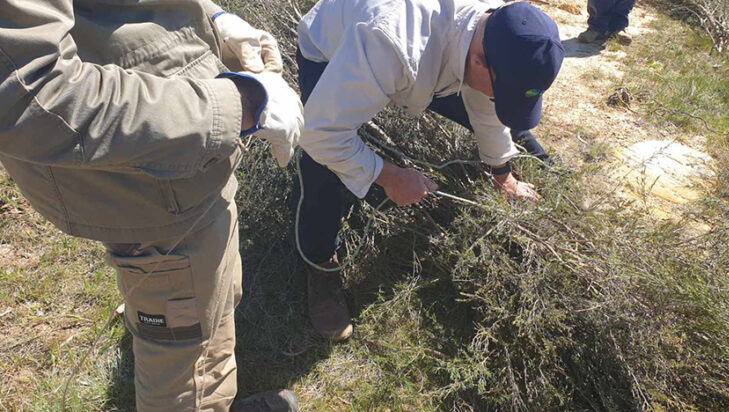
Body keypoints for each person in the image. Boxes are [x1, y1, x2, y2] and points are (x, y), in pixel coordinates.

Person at [0, 1, 303, 411]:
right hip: (152, 187)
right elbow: (29, 92)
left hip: (184, 157)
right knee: (184, 365)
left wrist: (209, 18)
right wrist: (239, 105)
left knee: (210, 309)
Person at [295, 0, 564, 342]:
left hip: (433, 58)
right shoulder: (393, 45)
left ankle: (545, 166)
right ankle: (319, 264)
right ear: (479, 61)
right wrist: (389, 175)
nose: (495, 99)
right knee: (323, 162)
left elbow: (487, 109)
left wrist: (502, 174)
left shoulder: (495, 28)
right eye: (499, 92)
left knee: (505, 116)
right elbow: (320, 134)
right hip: (331, 48)